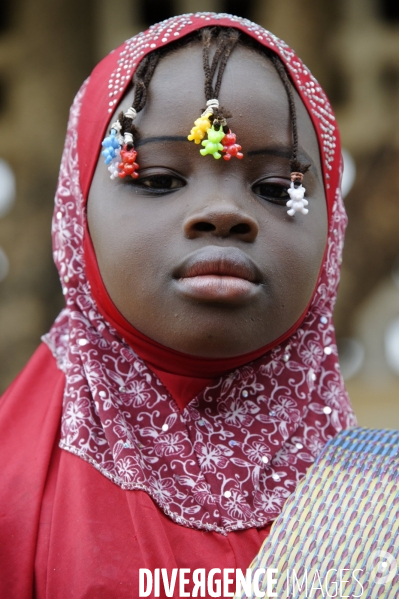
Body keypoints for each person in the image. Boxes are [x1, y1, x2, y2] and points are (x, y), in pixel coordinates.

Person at [0, 12, 358, 598]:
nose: (223, 212)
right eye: (159, 178)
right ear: (76, 214)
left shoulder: (374, 505)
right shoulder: (12, 495)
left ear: (332, 230)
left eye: (276, 189)